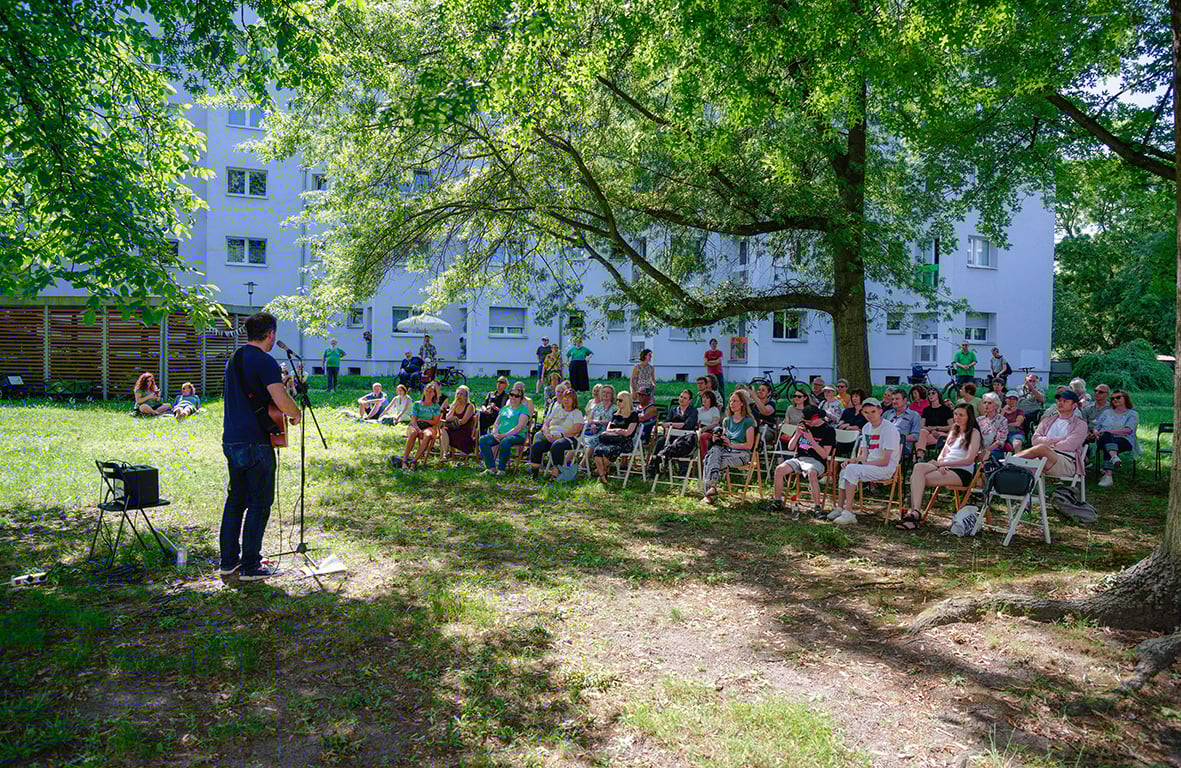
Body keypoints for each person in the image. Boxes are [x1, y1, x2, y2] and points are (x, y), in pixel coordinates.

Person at [219, 311, 301, 583]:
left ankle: (229, 562)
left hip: (232, 438)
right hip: (256, 441)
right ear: (271, 334)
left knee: (236, 500)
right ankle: (251, 565)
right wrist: (296, 413)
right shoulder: (265, 361)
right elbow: (280, 398)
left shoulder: (235, 358)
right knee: (259, 503)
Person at [896, 404, 983, 531]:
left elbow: (969, 459)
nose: (957, 417)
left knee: (917, 478)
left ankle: (914, 515)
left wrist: (942, 464)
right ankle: (915, 513)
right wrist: (942, 463)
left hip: (961, 471)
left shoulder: (974, 433)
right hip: (944, 467)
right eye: (955, 414)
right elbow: (942, 455)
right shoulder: (954, 430)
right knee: (918, 467)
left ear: (969, 417)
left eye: (961, 415)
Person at [830, 398, 900, 526]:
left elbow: (885, 461)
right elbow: (864, 455)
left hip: (885, 468)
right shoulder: (866, 427)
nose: (870, 415)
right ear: (862, 412)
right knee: (845, 468)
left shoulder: (888, 429)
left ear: (880, 411)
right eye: (866, 412)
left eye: (873, 412)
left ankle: (849, 512)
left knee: (851, 469)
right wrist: (853, 460)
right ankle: (840, 508)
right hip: (869, 466)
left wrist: (861, 464)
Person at [768, 406, 835, 520]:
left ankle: (817, 508)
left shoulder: (828, 430)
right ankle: (777, 502)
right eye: (805, 421)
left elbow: (824, 454)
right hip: (799, 458)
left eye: (809, 421)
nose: (807, 423)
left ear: (817, 418)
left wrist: (811, 440)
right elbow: (790, 447)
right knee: (779, 469)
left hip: (816, 460)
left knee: (812, 473)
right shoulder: (803, 425)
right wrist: (797, 434)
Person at [1013, 390, 1088, 481]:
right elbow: (1035, 440)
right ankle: (1012, 465)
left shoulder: (1080, 424)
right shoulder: (1047, 421)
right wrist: (1059, 439)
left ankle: (1010, 461)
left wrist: (1046, 447)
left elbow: (1069, 445)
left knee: (1041, 449)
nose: (1060, 403)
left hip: (1067, 462)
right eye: (1059, 401)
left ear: (1074, 405)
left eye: (1065, 401)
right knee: (1038, 452)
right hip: (1041, 459)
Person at [701, 390, 757, 504]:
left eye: (735, 401)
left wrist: (732, 444)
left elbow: (749, 445)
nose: (732, 403)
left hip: (742, 454)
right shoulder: (727, 420)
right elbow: (724, 438)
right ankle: (711, 490)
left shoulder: (748, 421)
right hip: (726, 451)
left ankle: (709, 493)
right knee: (712, 453)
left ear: (742, 403)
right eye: (730, 401)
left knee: (711, 461)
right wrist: (717, 439)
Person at [529, 389, 585, 479]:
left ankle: (556, 474)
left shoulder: (577, 413)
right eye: (565, 397)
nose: (566, 400)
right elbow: (546, 424)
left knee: (557, 446)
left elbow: (576, 430)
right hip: (551, 435)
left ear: (574, 400)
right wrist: (547, 434)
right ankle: (534, 474)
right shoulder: (558, 409)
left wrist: (560, 435)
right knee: (537, 445)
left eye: (569, 398)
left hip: (568, 438)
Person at [478, 382, 531, 475]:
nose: (513, 397)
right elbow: (496, 423)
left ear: (521, 398)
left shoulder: (523, 409)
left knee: (505, 441)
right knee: (483, 439)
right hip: (501, 435)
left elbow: (520, 427)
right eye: (511, 395)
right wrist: (495, 433)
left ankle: (501, 469)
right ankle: (491, 467)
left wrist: (504, 435)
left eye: (516, 396)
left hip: (517, 436)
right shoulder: (505, 408)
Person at [648, 389, 699, 477]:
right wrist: (668, 428)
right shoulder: (673, 410)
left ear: (690, 401)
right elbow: (665, 423)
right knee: (660, 442)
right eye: (681, 397)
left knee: (682, 446)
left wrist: (671, 424)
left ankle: (683, 472)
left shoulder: (693, 411)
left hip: (686, 439)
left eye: (685, 398)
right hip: (672, 437)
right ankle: (653, 468)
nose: (682, 399)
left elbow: (687, 425)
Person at [592, 391, 640, 483]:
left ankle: (601, 472)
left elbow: (628, 433)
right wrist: (618, 430)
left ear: (626, 401)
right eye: (617, 400)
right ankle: (603, 476)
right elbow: (608, 429)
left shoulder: (633, 415)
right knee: (597, 451)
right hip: (610, 439)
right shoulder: (615, 414)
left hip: (624, 442)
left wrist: (616, 430)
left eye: (620, 400)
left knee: (608, 452)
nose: (617, 402)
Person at [1095, 390, 1140, 488]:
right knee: (1107, 437)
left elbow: (1128, 430)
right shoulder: (1106, 412)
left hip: (1124, 440)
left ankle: (1108, 476)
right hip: (1103, 438)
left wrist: (1109, 431)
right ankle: (1114, 459)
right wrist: (1095, 431)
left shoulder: (1132, 414)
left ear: (1125, 399)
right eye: (1112, 398)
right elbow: (1097, 426)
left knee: (1109, 444)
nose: (1115, 400)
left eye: (1118, 397)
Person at [401, 381, 443, 469]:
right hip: (416, 425)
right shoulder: (417, 404)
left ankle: (414, 461)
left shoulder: (436, 407)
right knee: (413, 433)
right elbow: (413, 419)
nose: (428, 393)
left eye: (430, 392)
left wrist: (423, 420)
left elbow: (435, 422)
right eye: (427, 391)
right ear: (424, 392)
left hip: (428, 426)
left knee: (428, 435)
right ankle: (404, 460)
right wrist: (418, 429)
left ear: (434, 394)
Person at [580, 384, 617, 458]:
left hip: (605, 432)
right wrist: (592, 424)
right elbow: (589, 419)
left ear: (612, 395)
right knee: (579, 441)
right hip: (593, 431)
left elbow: (613, 423)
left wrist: (597, 422)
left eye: (608, 393)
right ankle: (568, 462)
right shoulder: (597, 406)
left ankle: (583, 464)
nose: (605, 394)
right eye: (604, 392)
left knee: (592, 442)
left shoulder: (615, 408)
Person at [440, 385, 477, 459]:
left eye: (461, 394)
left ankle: (445, 454)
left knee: (446, 431)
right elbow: (448, 418)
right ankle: (444, 454)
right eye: (457, 394)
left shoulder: (470, 406)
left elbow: (463, 421)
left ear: (466, 396)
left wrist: (453, 422)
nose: (459, 396)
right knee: (443, 430)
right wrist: (453, 407)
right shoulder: (454, 405)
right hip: (453, 428)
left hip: (464, 431)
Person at [915, 388, 952, 459]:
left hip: (942, 434)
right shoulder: (926, 410)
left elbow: (951, 426)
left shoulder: (946, 410)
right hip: (929, 433)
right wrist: (932, 431)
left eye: (933, 393)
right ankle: (920, 457)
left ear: (938, 395)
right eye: (929, 394)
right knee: (923, 431)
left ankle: (919, 457)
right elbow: (922, 426)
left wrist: (936, 428)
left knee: (918, 443)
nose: (930, 395)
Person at [884, 388, 920, 455]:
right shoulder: (887, 414)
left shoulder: (914, 415)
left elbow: (915, 436)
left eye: (897, 399)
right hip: (884, 443)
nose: (894, 401)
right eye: (892, 399)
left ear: (905, 400)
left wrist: (897, 438)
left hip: (902, 446)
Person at [977, 392, 1010, 461]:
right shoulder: (979, 420)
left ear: (996, 406)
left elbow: (999, 441)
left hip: (993, 450)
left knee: (989, 456)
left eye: (989, 403)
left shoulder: (1002, 420)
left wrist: (985, 451)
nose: (986, 405)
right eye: (984, 402)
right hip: (977, 448)